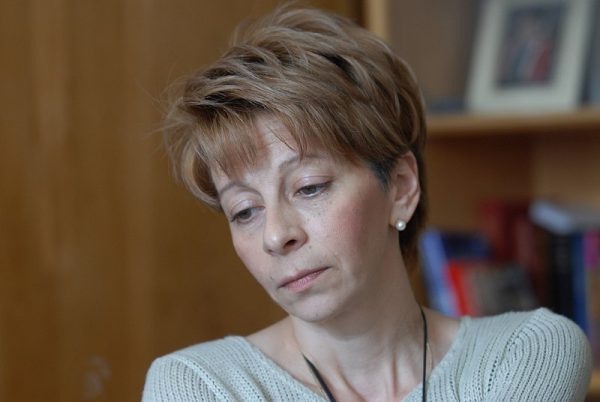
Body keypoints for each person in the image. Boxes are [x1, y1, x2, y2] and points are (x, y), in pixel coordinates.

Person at [142, 5, 592, 402]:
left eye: (309, 187)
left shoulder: (526, 352)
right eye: (244, 211)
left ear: (400, 187)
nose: (276, 236)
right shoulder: (199, 385)